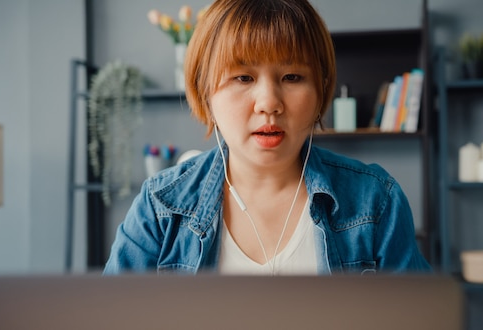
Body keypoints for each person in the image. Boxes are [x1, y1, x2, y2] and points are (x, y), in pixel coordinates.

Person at [103, 0, 431, 275]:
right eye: (243, 77)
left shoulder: (375, 201)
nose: (269, 103)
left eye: (292, 76)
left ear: (320, 89)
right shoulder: (160, 207)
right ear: (205, 92)